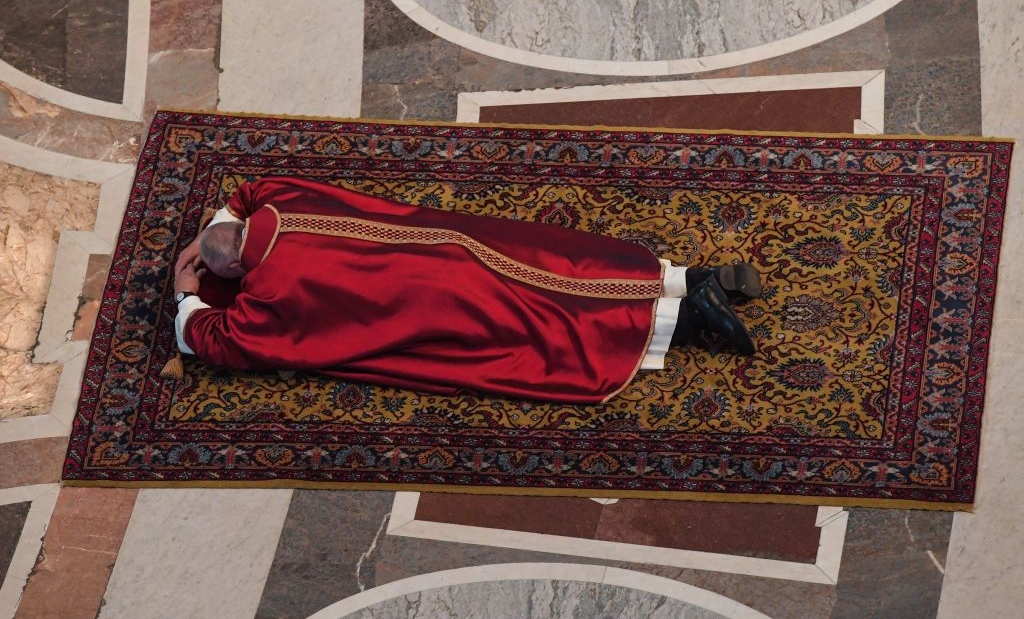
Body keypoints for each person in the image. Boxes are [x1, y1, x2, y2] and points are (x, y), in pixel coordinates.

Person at [172, 177, 759, 404]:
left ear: (229, 270)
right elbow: (248, 193)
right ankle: (691, 280)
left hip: (440, 299)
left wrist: (184, 294)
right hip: (450, 244)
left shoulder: (266, 294)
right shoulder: (281, 202)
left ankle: (684, 320)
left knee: (544, 323)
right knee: (553, 265)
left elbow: (217, 342)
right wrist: (216, 225)